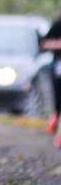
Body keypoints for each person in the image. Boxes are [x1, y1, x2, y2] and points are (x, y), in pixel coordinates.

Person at [40, 16, 61, 147]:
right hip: (59, 71)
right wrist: (58, 44)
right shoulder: (58, 24)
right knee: (59, 102)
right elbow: (43, 44)